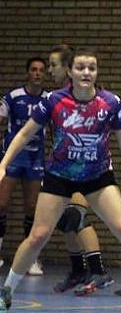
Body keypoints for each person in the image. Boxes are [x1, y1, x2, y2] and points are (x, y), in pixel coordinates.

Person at [0, 48, 121, 310]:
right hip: (59, 176)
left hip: (98, 176)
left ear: (96, 73)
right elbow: (24, 134)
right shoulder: (54, 101)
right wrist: (3, 164)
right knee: (38, 235)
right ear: (71, 72)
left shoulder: (110, 103)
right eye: (81, 68)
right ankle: (6, 291)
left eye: (92, 68)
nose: (86, 72)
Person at [47, 44, 114, 295]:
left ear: (67, 68)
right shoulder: (56, 99)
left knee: (76, 215)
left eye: (54, 65)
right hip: (65, 167)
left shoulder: (92, 97)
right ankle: (78, 270)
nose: (50, 70)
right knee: (64, 220)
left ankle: (98, 270)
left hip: (90, 167)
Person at [0, 57, 48, 276]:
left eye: (41, 70)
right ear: (27, 73)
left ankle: (30, 259)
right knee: (1, 204)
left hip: (35, 159)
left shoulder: (49, 99)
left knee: (32, 208)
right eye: (33, 70)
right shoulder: (12, 97)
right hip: (12, 158)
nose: (37, 73)